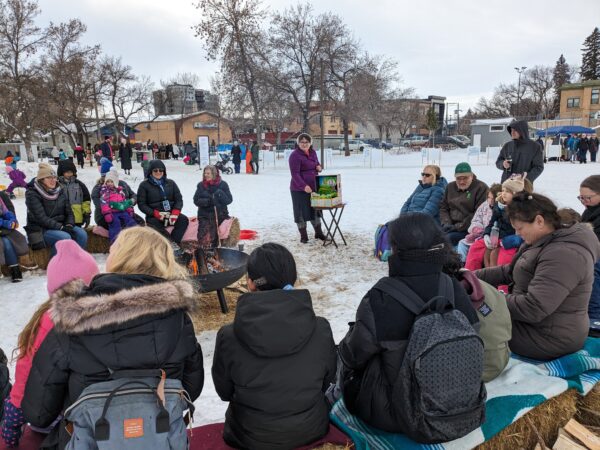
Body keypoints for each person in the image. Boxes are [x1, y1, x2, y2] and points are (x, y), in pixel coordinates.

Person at [20, 227, 204, 448]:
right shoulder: (180, 320)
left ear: (118, 257)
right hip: (160, 438)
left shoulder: (73, 318)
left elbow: (38, 412)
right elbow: (191, 390)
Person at [337, 213, 479, 434]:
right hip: (462, 408)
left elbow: (353, 355)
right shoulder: (452, 286)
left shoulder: (381, 297)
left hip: (399, 415)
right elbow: (476, 335)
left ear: (395, 248)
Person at [212, 243, 336, 450]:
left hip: (249, 435)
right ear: (292, 278)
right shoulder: (321, 328)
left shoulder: (228, 335)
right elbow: (326, 381)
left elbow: (225, 391)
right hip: (310, 429)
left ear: (251, 283)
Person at [475, 192, 600, 360]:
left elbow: (534, 308)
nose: (518, 234)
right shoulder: (542, 240)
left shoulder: (564, 254)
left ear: (539, 221)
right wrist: (471, 277)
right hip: (534, 325)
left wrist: (487, 298)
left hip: (549, 338)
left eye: (520, 229)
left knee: (474, 320)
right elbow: (511, 272)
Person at [1, 240, 99, 447]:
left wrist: (12, 418)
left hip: (55, 420)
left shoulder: (45, 321)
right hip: (100, 415)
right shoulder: (109, 316)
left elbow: (27, 373)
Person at [465, 176, 527, 271]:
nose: (503, 193)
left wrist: (506, 241)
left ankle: (502, 285)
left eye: (507, 191)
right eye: (503, 190)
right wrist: (486, 234)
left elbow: (521, 232)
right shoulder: (498, 205)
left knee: (503, 258)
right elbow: (491, 222)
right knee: (475, 247)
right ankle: (472, 276)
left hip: (509, 240)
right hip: (495, 237)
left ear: (515, 194)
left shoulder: (520, 209)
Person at [24, 163, 87, 256]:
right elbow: (41, 218)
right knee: (64, 237)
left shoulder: (60, 190)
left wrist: (69, 224)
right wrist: (61, 228)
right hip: (41, 229)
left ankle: (75, 260)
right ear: (41, 180)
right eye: (49, 178)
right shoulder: (32, 194)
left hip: (60, 225)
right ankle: (55, 265)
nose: (53, 180)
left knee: (82, 234)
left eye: (54, 177)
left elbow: (69, 212)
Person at [137, 160, 188, 246]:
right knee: (154, 227)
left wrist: (175, 212)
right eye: (155, 170)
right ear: (150, 171)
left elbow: (178, 199)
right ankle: (170, 244)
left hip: (170, 214)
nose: (158, 172)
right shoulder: (144, 185)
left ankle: (174, 244)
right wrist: (155, 213)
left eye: (161, 170)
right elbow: (142, 204)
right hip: (154, 216)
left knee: (183, 220)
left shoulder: (171, 183)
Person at [288, 133, 327, 243]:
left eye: (306, 142)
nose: (304, 144)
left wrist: (319, 167)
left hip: (314, 186)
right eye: (302, 142)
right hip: (299, 189)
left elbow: (317, 164)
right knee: (300, 212)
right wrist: (304, 186)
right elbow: (295, 174)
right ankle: (303, 236)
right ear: (298, 143)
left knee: (315, 209)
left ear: (310, 143)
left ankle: (318, 233)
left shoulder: (313, 152)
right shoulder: (295, 155)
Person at [439, 162, 488, 245]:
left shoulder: (481, 188)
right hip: (450, 226)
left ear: (471, 176)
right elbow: (443, 208)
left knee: (447, 239)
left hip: (469, 229)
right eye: (458, 178)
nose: (461, 182)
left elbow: (478, 214)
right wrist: (446, 223)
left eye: (465, 178)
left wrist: (457, 227)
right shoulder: (450, 187)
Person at [456, 183, 502, 263]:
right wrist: (476, 229)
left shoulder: (500, 209)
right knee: (462, 243)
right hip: (480, 234)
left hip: (492, 238)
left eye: (493, 198)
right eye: (488, 197)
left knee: (476, 247)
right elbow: (476, 219)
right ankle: (461, 264)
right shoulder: (484, 205)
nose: (490, 200)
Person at [579, 175, 600, 336]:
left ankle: (595, 316)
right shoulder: (590, 212)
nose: (584, 201)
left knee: (592, 270)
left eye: (588, 197)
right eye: (581, 198)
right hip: (590, 253)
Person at [193, 165, 232, 249]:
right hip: (204, 214)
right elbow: (196, 200)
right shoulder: (201, 185)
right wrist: (207, 202)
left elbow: (229, 200)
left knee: (215, 235)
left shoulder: (223, 184)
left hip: (220, 214)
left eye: (208, 173)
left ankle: (214, 251)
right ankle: (203, 252)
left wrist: (219, 192)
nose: (206, 175)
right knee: (203, 235)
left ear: (214, 174)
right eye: (205, 173)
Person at [100, 169, 138, 243]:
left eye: (112, 181)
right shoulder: (104, 191)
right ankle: (115, 244)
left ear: (116, 182)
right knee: (115, 225)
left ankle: (134, 240)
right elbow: (103, 203)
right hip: (112, 213)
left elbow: (125, 202)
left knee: (131, 222)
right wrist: (107, 214)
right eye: (108, 181)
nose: (110, 183)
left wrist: (130, 210)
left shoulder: (120, 191)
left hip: (122, 211)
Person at [0, 190, 28, 282]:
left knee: (8, 241)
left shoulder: (1, 196)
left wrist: (12, 220)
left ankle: (15, 268)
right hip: (2, 225)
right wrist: (5, 223)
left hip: (3, 229)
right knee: (4, 242)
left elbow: (7, 211)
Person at [57, 160, 91, 229]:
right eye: (67, 172)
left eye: (71, 172)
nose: (69, 174)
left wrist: (87, 214)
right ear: (61, 173)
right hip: (62, 219)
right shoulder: (57, 185)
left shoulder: (79, 185)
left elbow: (86, 200)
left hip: (77, 218)